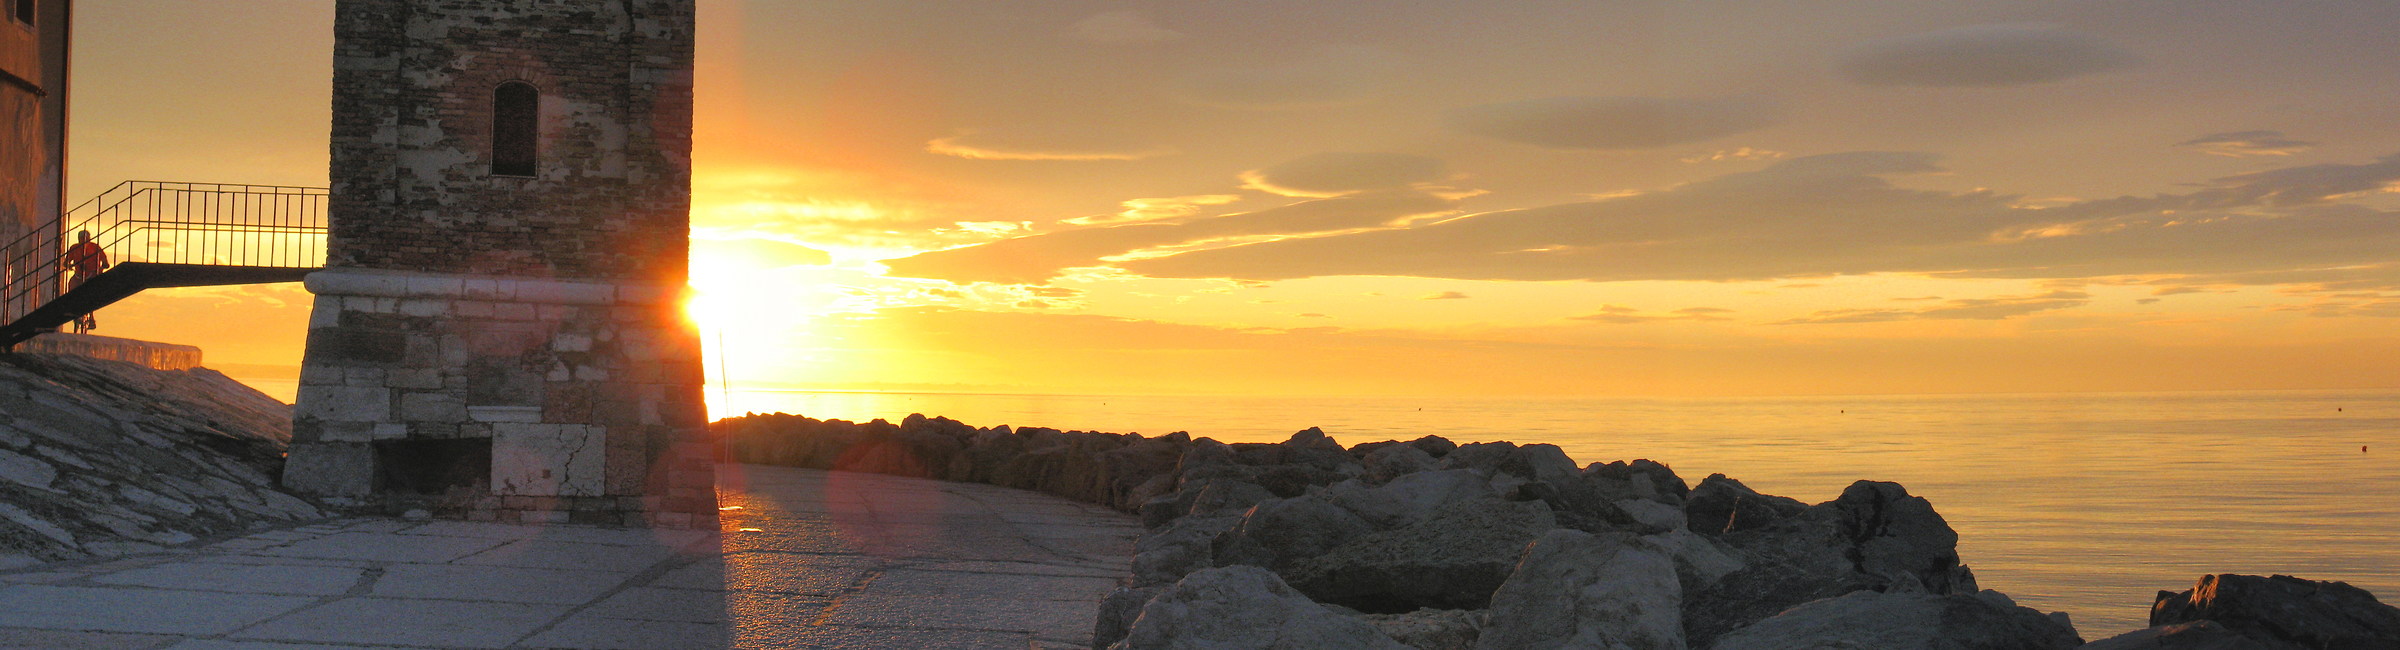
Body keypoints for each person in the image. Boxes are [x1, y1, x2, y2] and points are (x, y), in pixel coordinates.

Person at [61, 230, 108, 333]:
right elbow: (66, 261)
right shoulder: (74, 248)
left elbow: (104, 260)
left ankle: (91, 318)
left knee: (91, 294)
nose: (84, 240)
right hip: (79, 275)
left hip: (92, 275)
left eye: (85, 238)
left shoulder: (95, 247)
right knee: (71, 286)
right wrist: (68, 265)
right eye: (82, 238)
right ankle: (73, 310)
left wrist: (104, 265)